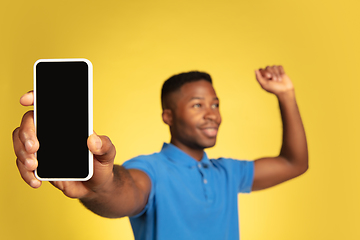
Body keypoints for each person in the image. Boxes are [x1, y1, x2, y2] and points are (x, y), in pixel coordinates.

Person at [12, 65, 308, 240]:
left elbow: (294, 163)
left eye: (215, 104)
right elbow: (125, 190)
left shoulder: (228, 173)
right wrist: (97, 186)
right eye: (197, 105)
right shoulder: (150, 170)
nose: (211, 114)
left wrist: (286, 94)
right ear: (168, 115)